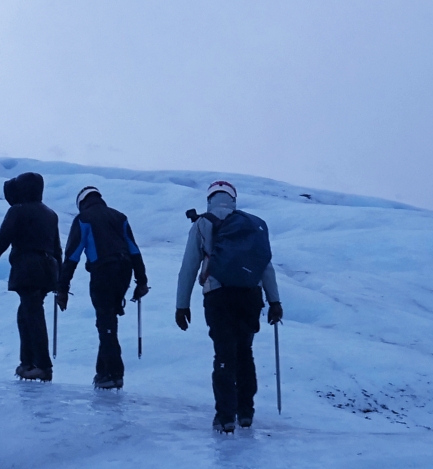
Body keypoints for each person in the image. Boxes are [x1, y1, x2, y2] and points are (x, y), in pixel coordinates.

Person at [175, 180, 283, 432]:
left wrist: (182, 305)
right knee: (245, 352)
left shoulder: (203, 222)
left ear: (210, 199)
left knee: (224, 354)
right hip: (250, 295)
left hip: (218, 294)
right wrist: (275, 301)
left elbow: (189, 267)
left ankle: (225, 416)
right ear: (233, 199)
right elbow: (265, 265)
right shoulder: (251, 224)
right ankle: (245, 412)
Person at [57, 185, 150, 389]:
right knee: (108, 319)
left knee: (105, 320)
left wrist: (62, 288)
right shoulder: (119, 217)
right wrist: (141, 281)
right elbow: (134, 250)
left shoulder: (83, 219)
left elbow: (72, 256)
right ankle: (103, 372)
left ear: (82, 202)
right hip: (124, 270)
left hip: (103, 270)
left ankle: (114, 374)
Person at [0, 172, 62, 381]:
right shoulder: (50, 213)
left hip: (27, 266)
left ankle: (41, 365)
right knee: (27, 312)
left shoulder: (18, 210)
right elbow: (57, 248)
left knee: (31, 314)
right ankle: (28, 363)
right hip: (48, 267)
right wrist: (60, 279)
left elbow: (1, 241)